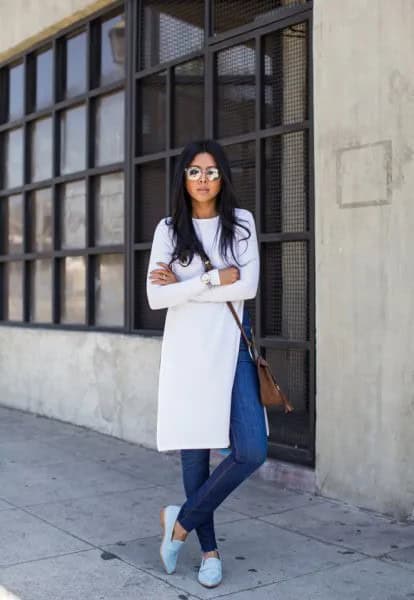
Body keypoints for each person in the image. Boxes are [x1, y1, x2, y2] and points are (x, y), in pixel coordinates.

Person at [146, 139, 269, 589]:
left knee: (252, 450)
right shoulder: (167, 230)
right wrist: (214, 278)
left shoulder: (241, 225)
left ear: (224, 177)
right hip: (186, 352)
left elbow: (249, 288)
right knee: (194, 453)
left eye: (212, 171)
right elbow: (155, 297)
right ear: (183, 177)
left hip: (233, 347)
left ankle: (180, 521)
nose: (203, 180)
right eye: (195, 171)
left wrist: (184, 283)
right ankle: (209, 551)